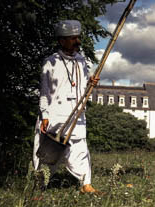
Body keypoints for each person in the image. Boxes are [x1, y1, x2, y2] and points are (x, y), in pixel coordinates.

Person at [34, 20, 101, 194]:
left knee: (80, 148)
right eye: (72, 38)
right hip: (55, 113)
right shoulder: (50, 62)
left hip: (76, 112)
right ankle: (39, 186)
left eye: (77, 38)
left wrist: (90, 83)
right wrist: (45, 114)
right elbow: (45, 91)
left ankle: (86, 184)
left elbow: (81, 87)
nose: (77, 41)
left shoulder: (81, 61)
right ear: (62, 40)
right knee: (49, 152)